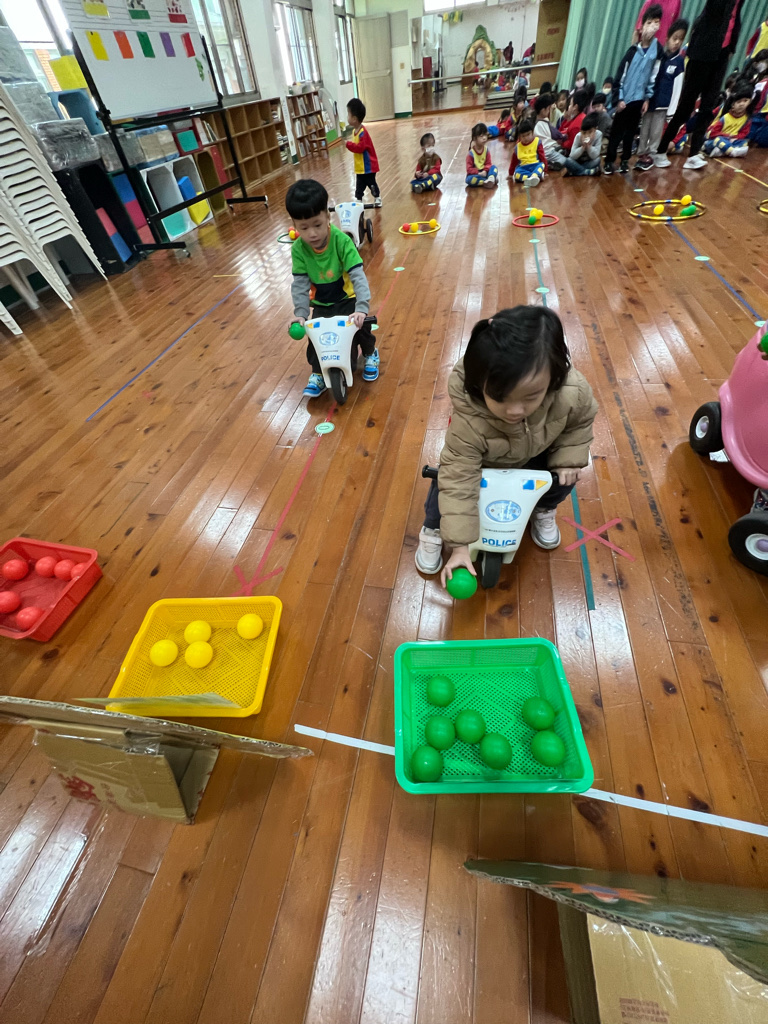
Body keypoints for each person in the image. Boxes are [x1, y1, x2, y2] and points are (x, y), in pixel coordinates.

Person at [414, 306, 598, 580]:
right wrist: (460, 546)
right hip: (483, 461)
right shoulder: (470, 419)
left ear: (554, 377)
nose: (514, 411)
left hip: (536, 453)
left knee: (565, 475)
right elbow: (459, 479)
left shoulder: (573, 392)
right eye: (500, 397)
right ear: (479, 384)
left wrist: (568, 457)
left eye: (530, 397)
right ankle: (434, 527)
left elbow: (580, 422)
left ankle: (543, 508)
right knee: (446, 480)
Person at [286, 179, 378, 398]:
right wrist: (301, 314)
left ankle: (370, 353)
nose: (312, 234)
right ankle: (318, 373)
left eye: (317, 225)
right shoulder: (298, 249)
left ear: (328, 217)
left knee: (361, 327)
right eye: (304, 228)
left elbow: (358, 276)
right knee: (316, 337)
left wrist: (361, 308)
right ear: (294, 225)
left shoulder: (342, 242)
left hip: (348, 299)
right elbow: (300, 284)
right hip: (322, 303)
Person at [654, 0, 746, 171]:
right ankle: (661, 149)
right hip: (702, 52)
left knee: (708, 106)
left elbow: (735, 17)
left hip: (722, 54)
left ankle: (693, 154)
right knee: (686, 106)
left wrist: (731, 47)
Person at [604, 4, 663, 175]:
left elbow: (654, 77)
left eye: (656, 22)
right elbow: (620, 76)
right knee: (616, 132)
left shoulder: (657, 51)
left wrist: (647, 98)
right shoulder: (632, 51)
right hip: (625, 100)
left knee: (630, 133)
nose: (652, 26)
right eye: (649, 22)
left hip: (639, 100)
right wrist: (619, 99)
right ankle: (609, 161)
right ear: (642, 26)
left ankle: (625, 160)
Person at [636, 17, 688, 169]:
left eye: (680, 39)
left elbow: (677, 89)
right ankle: (641, 153)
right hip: (650, 102)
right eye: (674, 38)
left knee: (656, 132)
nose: (677, 42)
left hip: (663, 105)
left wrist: (671, 111)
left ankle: (652, 155)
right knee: (645, 129)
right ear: (667, 39)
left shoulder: (679, 62)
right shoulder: (660, 56)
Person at [345, 98, 381, 206]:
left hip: (368, 167)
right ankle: (359, 199)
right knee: (359, 185)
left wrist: (348, 145)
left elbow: (360, 148)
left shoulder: (362, 133)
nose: (347, 117)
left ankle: (377, 197)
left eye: (348, 114)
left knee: (371, 183)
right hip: (360, 166)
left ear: (354, 119)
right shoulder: (354, 131)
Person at [702, 83, 753, 156]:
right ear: (733, 105)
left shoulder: (747, 119)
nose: (742, 104)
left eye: (745, 101)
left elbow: (743, 133)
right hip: (716, 139)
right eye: (739, 102)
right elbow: (713, 133)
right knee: (719, 140)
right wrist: (728, 136)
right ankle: (732, 152)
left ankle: (722, 151)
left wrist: (735, 138)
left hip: (732, 140)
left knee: (744, 143)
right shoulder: (725, 117)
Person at [508, 118, 548, 185]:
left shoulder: (537, 142)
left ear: (532, 133)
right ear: (519, 137)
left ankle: (533, 176)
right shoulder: (517, 147)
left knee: (541, 165)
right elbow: (514, 161)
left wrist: (545, 170)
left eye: (528, 134)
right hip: (523, 167)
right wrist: (511, 173)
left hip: (535, 165)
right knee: (516, 174)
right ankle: (535, 177)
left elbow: (542, 156)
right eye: (523, 136)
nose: (526, 138)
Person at [533, 94, 568, 169]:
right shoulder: (542, 123)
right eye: (548, 109)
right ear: (543, 110)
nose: (549, 111)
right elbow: (556, 134)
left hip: (547, 150)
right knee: (567, 162)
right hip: (548, 150)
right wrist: (565, 135)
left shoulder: (536, 122)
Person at [466, 123, 498, 188]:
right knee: (469, 179)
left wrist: (485, 171)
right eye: (481, 136)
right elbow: (469, 169)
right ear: (474, 138)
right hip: (477, 174)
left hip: (486, 172)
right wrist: (478, 173)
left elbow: (488, 163)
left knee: (494, 168)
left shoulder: (486, 150)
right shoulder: (471, 154)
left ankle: (490, 178)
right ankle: (486, 181)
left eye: (485, 135)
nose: (484, 138)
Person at [560, 88, 590, 153]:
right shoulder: (582, 116)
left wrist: (561, 143)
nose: (569, 107)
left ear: (575, 107)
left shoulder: (575, 125)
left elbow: (571, 145)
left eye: (570, 104)